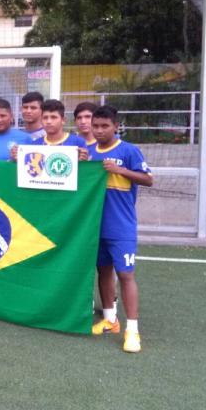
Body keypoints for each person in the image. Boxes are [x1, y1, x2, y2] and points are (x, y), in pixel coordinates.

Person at [88, 105, 153, 353]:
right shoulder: (89, 151)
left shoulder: (128, 151)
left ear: (116, 126)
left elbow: (148, 179)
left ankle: (133, 330)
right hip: (94, 226)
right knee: (103, 272)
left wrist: (121, 170)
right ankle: (110, 319)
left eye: (105, 126)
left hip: (121, 226)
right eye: (96, 126)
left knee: (125, 275)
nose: (100, 130)